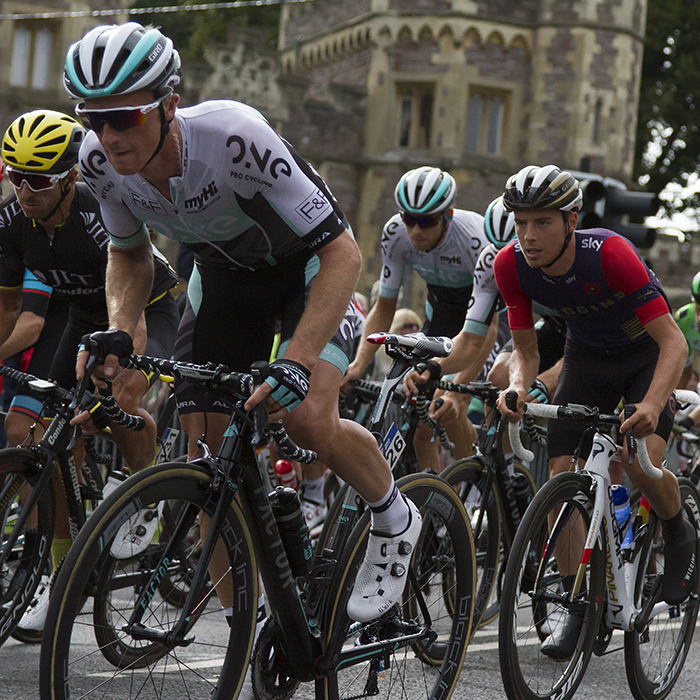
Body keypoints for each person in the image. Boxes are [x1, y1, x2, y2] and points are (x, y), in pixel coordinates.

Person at [63, 21, 420, 631]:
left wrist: (299, 359)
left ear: (168, 106)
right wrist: (125, 328)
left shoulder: (234, 137)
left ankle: (394, 517)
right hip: (224, 275)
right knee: (205, 449)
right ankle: (246, 629)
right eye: (92, 118)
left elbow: (343, 255)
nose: (106, 135)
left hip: (308, 266)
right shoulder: (97, 161)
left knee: (307, 418)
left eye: (123, 117)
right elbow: (128, 252)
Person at [493, 164, 696, 660]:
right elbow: (525, 350)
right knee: (559, 478)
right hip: (585, 358)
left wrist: (650, 404)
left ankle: (678, 532)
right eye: (520, 223)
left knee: (643, 464)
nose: (528, 235)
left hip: (644, 357)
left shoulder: (610, 254)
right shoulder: (510, 264)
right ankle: (577, 605)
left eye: (542, 222)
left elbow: (675, 344)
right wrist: (520, 386)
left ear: (571, 220)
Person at [0, 108, 180, 637]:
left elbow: (135, 296)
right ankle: (57, 573)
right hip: (79, 315)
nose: (24, 190)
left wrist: (117, 368)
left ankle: (140, 489)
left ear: (71, 176)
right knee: (31, 435)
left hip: (149, 310)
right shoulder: (11, 223)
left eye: (37, 179)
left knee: (117, 403)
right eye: (15, 176)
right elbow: (8, 310)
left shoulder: (97, 213)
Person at [344, 166, 488, 468]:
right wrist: (358, 364)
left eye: (426, 221)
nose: (415, 231)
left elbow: (484, 333)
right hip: (442, 317)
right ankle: (435, 505)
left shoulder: (475, 240)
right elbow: (384, 307)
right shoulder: (395, 233)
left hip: (485, 324)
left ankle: (479, 498)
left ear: (447, 215)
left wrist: (459, 389)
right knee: (423, 427)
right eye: (409, 219)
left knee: (451, 408)